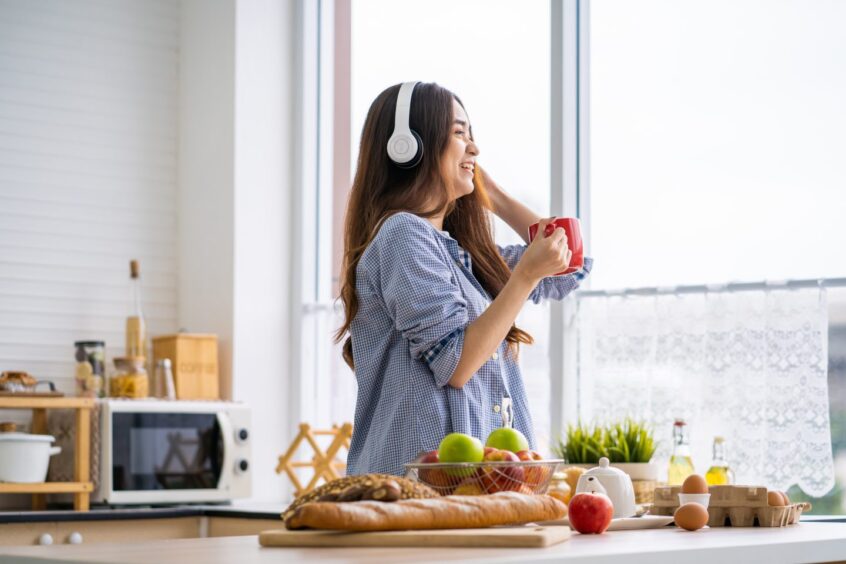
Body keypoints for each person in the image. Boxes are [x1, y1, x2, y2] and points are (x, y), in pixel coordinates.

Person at [336, 81, 593, 477]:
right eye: (459, 133)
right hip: (417, 491)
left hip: (473, 487)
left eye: (472, 136)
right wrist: (523, 276)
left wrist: (492, 193)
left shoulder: (461, 258)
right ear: (408, 147)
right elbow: (456, 362)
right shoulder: (403, 235)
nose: (474, 148)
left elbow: (568, 261)